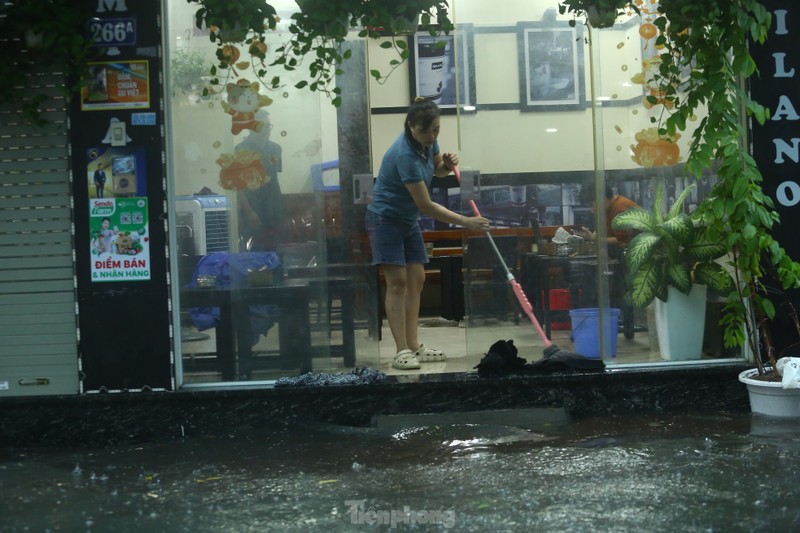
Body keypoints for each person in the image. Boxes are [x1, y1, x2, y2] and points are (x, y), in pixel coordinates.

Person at [366, 97, 490, 370]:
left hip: (407, 218)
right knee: (397, 282)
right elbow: (425, 204)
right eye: (426, 130)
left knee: (418, 278)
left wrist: (446, 164)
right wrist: (465, 221)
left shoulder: (428, 143)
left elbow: (436, 171)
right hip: (385, 218)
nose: (433, 135)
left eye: (436, 129)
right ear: (411, 126)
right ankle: (400, 350)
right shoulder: (404, 155)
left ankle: (414, 346)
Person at [235, 109, 288, 251]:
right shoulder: (240, 150)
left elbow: (274, 179)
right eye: (262, 126)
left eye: (268, 126)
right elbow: (238, 187)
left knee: (274, 252)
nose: (267, 130)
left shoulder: (276, 149)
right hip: (252, 209)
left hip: (273, 208)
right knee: (253, 254)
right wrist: (249, 211)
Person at [576, 182, 639, 252]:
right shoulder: (607, 209)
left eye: (592, 205)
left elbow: (623, 241)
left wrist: (596, 239)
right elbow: (599, 233)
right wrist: (591, 236)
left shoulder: (620, 207)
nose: (592, 210)